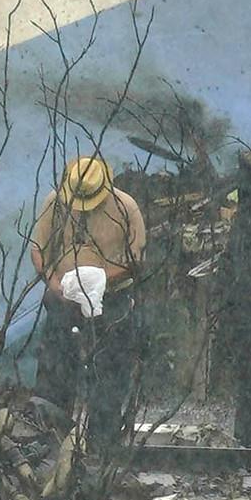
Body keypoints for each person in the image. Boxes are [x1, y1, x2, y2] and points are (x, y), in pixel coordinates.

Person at [33, 153, 148, 437]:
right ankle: (51, 436)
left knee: (108, 372)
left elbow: (136, 257)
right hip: (63, 301)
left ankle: (102, 440)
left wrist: (97, 283)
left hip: (111, 301)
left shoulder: (125, 206)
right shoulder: (55, 203)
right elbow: (38, 249)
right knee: (56, 369)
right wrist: (56, 284)